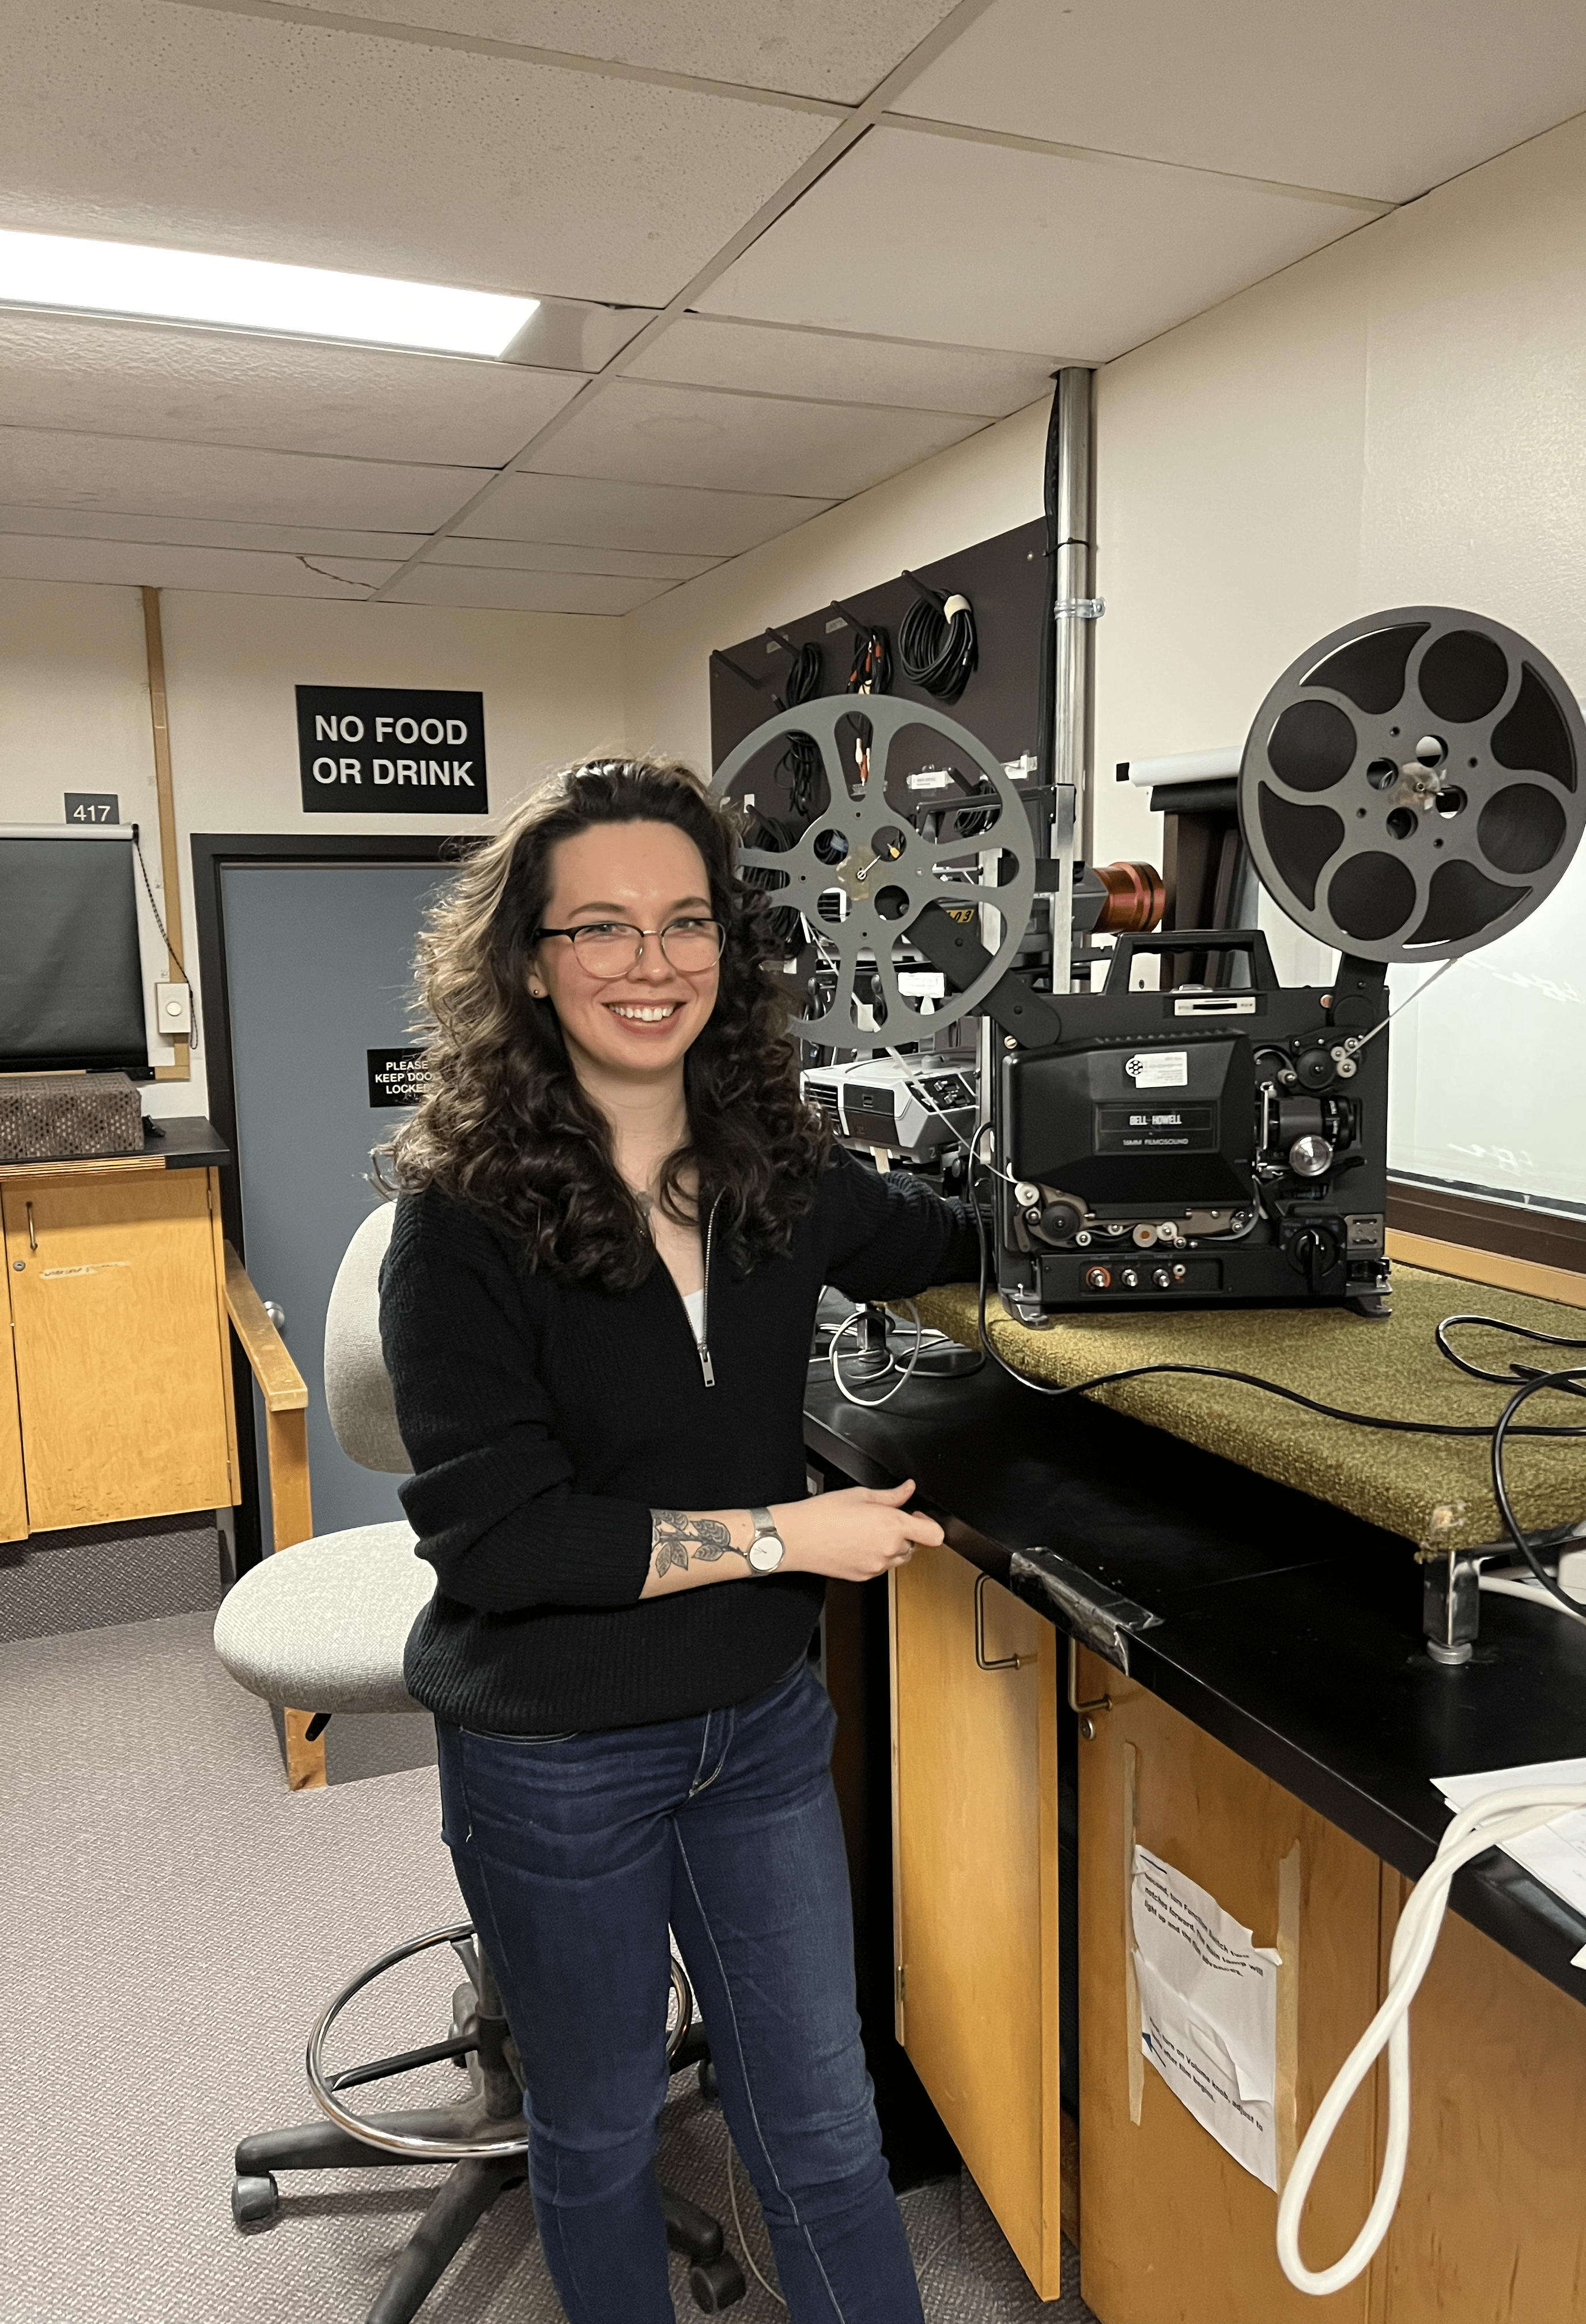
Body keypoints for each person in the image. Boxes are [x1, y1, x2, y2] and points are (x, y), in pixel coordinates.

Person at [377, 757, 981, 2324]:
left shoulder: (780, 1172)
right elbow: (508, 1547)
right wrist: (788, 1537)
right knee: (597, 2136)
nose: (651, 964)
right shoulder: (459, 1220)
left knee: (825, 2129)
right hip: (557, 1747)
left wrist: (1126, 1204)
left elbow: (945, 1238)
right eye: (601, 927)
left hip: (756, 1726)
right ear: (528, 962)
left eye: (687, 921)